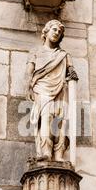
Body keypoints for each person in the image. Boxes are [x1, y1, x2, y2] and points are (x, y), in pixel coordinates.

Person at [27, 20, 78, 162]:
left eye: (59, 32)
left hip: (60, 88)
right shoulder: (35, 52)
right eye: (54, 29)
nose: (57, 33)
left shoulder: (64, 55)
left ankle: (59, 154)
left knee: (60, 120)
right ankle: (46, 152)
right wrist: (29, 87)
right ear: (46, 31)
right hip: (42, 88)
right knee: (47, 117)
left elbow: (71, 70)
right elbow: (29, 73)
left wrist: (72, 73)